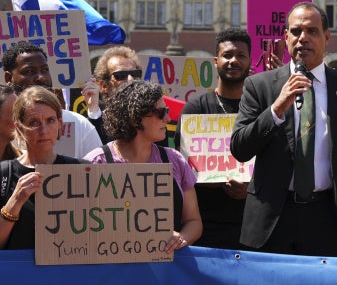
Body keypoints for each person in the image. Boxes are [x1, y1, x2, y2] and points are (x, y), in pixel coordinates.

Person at [231, 2, 337, 256]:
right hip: (271, 221)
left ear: (326, 37)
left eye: (312, 31)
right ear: (286, 37)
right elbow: (240, 148)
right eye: (296, 31)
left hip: (328, 220)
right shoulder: (259, 86)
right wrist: (276, 108)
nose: (303, 39)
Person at [85, 80, 202, 251]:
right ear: (135, 118)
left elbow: (193, 221)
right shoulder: (96, 163)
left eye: (167, 111)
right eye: (161, 113)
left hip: (166, 269)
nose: (168, 119)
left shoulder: (175, 160)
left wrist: (180, 240)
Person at [0, 86, 86, 250]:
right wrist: (15, 202)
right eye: (34, 123)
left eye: (50, 120)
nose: (43, 130)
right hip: (18, 274)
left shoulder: (81, 171)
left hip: (67, 274)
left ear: (59, 124)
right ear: (19, 128)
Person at [176, 27, 251, 250]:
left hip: (249, 228)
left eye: (241, 55)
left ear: (250, 62)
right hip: (203, 225)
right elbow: (182, 166)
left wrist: (250, 189)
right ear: (216, 61)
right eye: (227, 55)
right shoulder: (195, 108)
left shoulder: (259, 109)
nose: (233, 61)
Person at [1, 41, 102, 158]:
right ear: (9, 78)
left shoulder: (79, 124)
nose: (41, 78)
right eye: (29, 71)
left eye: (44, 70)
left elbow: (100, 172)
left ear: (59, 123)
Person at [84, 45, 142, 143]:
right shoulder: (96, 116)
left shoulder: (152, 115)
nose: (130, 79)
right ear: (104, 86)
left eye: (135, 74)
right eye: (121, 75)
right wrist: (93, 110)